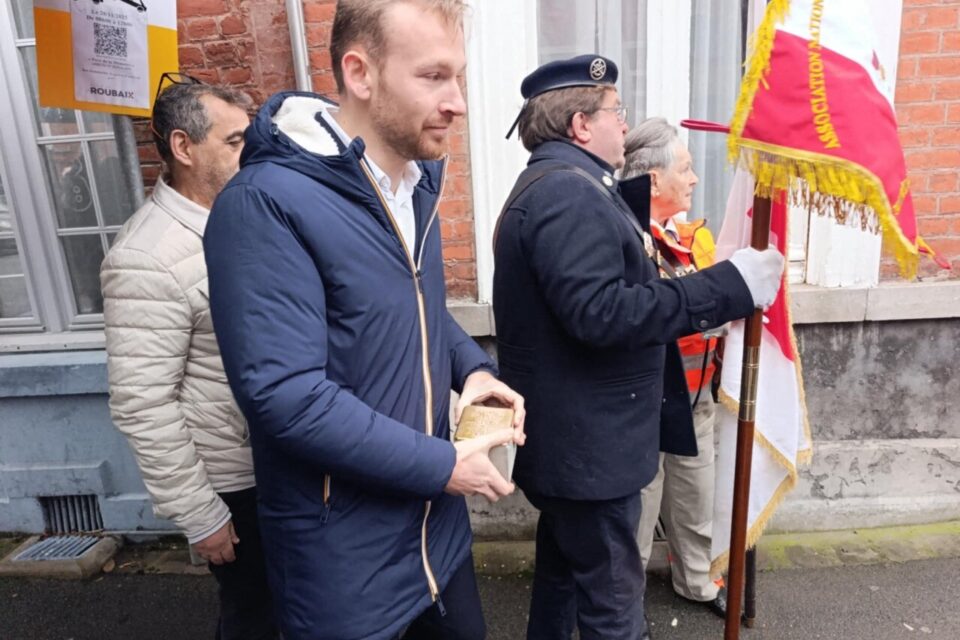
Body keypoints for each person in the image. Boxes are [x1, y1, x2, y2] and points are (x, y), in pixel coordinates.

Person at [202, 2, 526, 639]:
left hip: (438, 541)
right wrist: (442, 466)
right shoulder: (263, 205)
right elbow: (287, 396)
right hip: (344, 563)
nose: (458, 102)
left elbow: (417, 311)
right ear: (360, 73)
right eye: (433, 76)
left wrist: (474, 371)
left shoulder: (416, 183)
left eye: (459, 77)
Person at [492, 55, 784, 640]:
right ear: (580, 125)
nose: (625, 124)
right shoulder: (567, 194)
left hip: (577, 449)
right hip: (590, 454)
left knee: (562, 586)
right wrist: (728, 286)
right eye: (616, 111)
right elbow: (604, 314)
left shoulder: (569, 184)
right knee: (613, 611)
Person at [101, 81, 280, 639]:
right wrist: (202, 515)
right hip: (234, 484)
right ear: (183, 147)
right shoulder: (145, 258)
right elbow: (142, 405)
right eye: (234, 141)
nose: (250, 151)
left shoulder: (245, 216)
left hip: (278, 465)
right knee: (254, 617)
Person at [626, 117, 728, 618]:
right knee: (639, 507)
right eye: (684, 169)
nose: (694, 178)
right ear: (653, 180)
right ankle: (624, 601)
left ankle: (697, 581)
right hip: (647, 400)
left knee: (695, 495)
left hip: (696, 395)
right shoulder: (627, 239)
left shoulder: (694, 238)